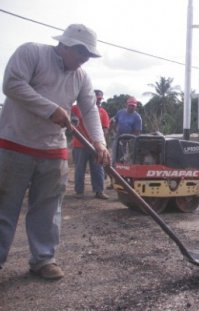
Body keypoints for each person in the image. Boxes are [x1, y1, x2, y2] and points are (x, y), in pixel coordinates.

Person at [0, 24, 110, 280]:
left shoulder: (81, 77)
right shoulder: (32, 53)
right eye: (81, 52)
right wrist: (51, 109)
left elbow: (90, 110)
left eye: (88, 55)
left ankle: (44, 259)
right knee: (5, 206)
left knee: (48, 209)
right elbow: (12, 84)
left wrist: (100, 143)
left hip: (53, 150)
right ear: (64, 45)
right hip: (15, 142)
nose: (84, 59)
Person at [71, 89, 110, 199]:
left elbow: (105, 129)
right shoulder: (75, 109)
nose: (98, 102)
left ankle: (99, 191)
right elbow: (72, 123)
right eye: (96, 100)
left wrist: (101, 143)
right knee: (80, 168)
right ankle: (79, 192)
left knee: (98, 168)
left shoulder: (103, 112)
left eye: (100, 100)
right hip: (79, 145)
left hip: (95, 146)